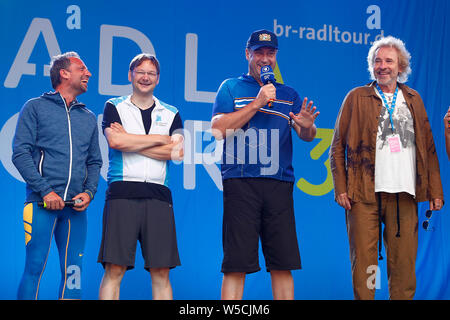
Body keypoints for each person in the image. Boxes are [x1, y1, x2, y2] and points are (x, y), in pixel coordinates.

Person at [330, 36, 444, 300]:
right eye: (377, 61)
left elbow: (428, 148)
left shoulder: (414, 99)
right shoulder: (356, 97)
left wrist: (435, 190)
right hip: (363, 195)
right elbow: (336, 147)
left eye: (389, 61)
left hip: (405, 194)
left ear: (401, 66)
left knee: (403, 268)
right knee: (366, 269)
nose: (383, 66)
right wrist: (340, 187)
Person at [211, 29, 319, 300]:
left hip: (279, 184)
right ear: (248, 54)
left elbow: (306, 135)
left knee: (282, 264)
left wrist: (307, 127)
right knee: (236, 264)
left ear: (276, 57)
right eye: (259, 52)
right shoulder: (231, 87)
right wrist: (257, 103)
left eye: (270, 53)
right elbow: (217, 129)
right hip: (240, 182)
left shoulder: (289, 93)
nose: (265, 58)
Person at [12, 52, 102, 300]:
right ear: (64, 73)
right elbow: (20, 153)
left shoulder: (88, 117)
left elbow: (95, 161)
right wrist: (45, 190)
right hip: (41, 204)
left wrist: (89, 192)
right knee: (34, 269)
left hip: (75, 210)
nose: (88, 74)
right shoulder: (35, 107)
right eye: (82, 68)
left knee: (73, 272)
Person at [97, 53, 183, 300]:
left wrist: (130, 141)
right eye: (140, 72)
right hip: (122, 194)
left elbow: (177, 151)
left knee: (161, 271)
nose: (146, 77)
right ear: (130, 75)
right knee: (114, 268)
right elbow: (115, 140)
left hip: (158, 196)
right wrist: (159, 139)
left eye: (151, 73)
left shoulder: (171, 112)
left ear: (158, 79)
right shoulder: (114, 106)